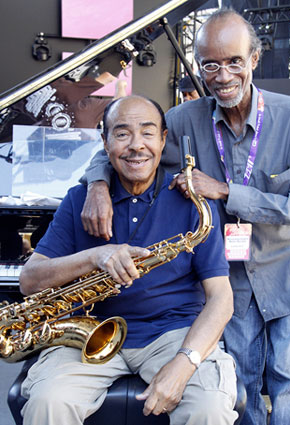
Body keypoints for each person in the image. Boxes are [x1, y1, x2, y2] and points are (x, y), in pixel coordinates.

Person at [79, 8, 290, 425]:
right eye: (211, 63)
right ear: (199, 66)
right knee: (238, 387)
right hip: (226, 282)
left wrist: (226, 190)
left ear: (254, 61)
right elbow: (122, 148)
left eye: (233, 62)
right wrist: (97, 186)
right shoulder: (180, 120)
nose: (222, 75)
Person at [19, 95, 238, 425]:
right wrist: (96, 256)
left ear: (164, 140)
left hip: (173, 332)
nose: (137, 145)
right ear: (104, 142)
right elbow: (29, 281)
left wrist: (185, 362)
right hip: (88, 333)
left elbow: (221, 299)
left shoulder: (194, 202)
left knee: (209, 408)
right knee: (48, 402)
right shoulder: (80, 198)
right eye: (122, 134)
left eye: (148, 133)